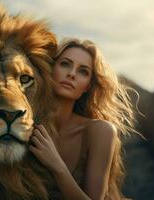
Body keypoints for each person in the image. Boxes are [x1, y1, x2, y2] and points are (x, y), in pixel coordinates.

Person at [29, 38, 135, 200]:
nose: (71, 74)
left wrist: (56, 165)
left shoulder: (100, 131)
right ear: (50, 69)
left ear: (87, 86)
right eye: (65, 64)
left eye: (83, 71)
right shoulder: (26, 122)